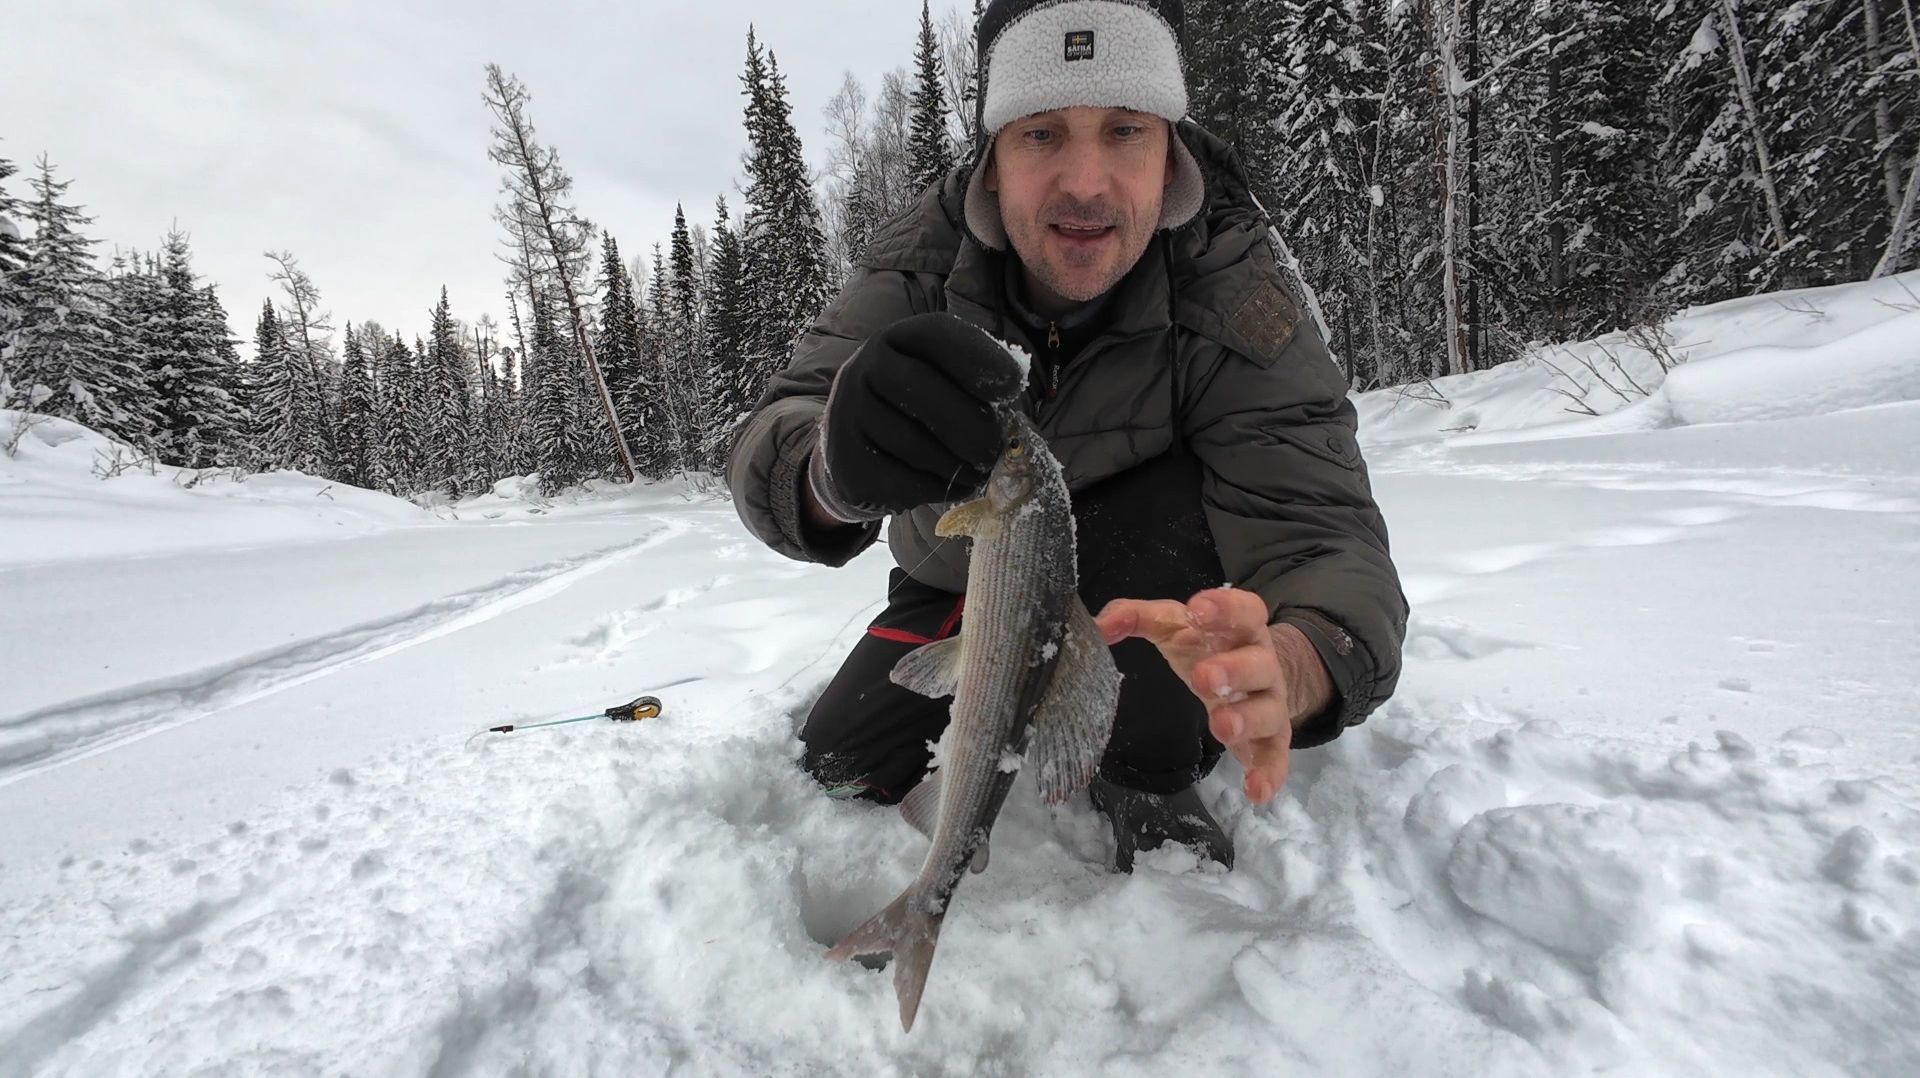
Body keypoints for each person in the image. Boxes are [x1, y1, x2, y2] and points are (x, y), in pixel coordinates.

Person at [730, 0, 1406, 871]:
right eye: (1042, 133)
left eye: (1125, 130)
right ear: (993, 158)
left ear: (1169, 151)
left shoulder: (1232, 281)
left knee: (1156, 542)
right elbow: (778, 431)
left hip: (1147, 594)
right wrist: (830, 469)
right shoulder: (917, 263)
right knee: (840, 767)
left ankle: (1144, 773)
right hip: (971, 584)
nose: (1085, 184)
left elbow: (1321, 525)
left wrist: (1299, 661)